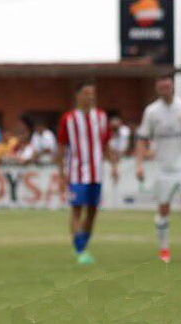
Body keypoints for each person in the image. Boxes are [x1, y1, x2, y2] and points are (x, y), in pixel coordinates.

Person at [135, 73, 181, 263]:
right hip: (163, 168)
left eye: (168, 86)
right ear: (157, 89)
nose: (165, 89)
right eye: (161, 87)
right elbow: (142, 139)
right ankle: (164, 250)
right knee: (163, 209)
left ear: (173, 86)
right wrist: (139, 164)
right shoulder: (151, 112)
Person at [56, 80, 118, 265]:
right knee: (77, 209)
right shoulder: (69, 119)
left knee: (92, 211)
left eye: (93, 93)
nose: (90, 97)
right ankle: (80, 249)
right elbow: (61, 147)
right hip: (76, 172)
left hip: (96, 173)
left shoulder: (101, 117)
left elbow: (106, 144)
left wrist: (113, 166)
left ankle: (82, 244)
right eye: (86, 93)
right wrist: (61, 174)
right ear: (78, 95)